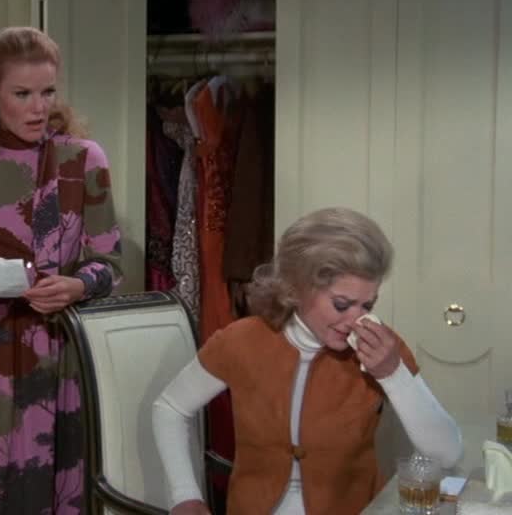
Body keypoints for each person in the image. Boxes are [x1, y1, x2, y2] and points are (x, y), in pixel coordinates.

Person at [0, 26, 122, 514]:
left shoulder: (83, 160)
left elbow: (110, 265)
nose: (38, 108)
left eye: (47, 92)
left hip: (56, 353)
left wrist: (78, 284)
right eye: (23, 94)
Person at [152, 207, 462, 515]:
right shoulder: (241, 341)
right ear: (296, 288)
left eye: (367, 305)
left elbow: (447, 453)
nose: (356, 320)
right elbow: (170, 408)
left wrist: (394, 374)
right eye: (342, 304)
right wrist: (184, 495)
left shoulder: (382, 348)